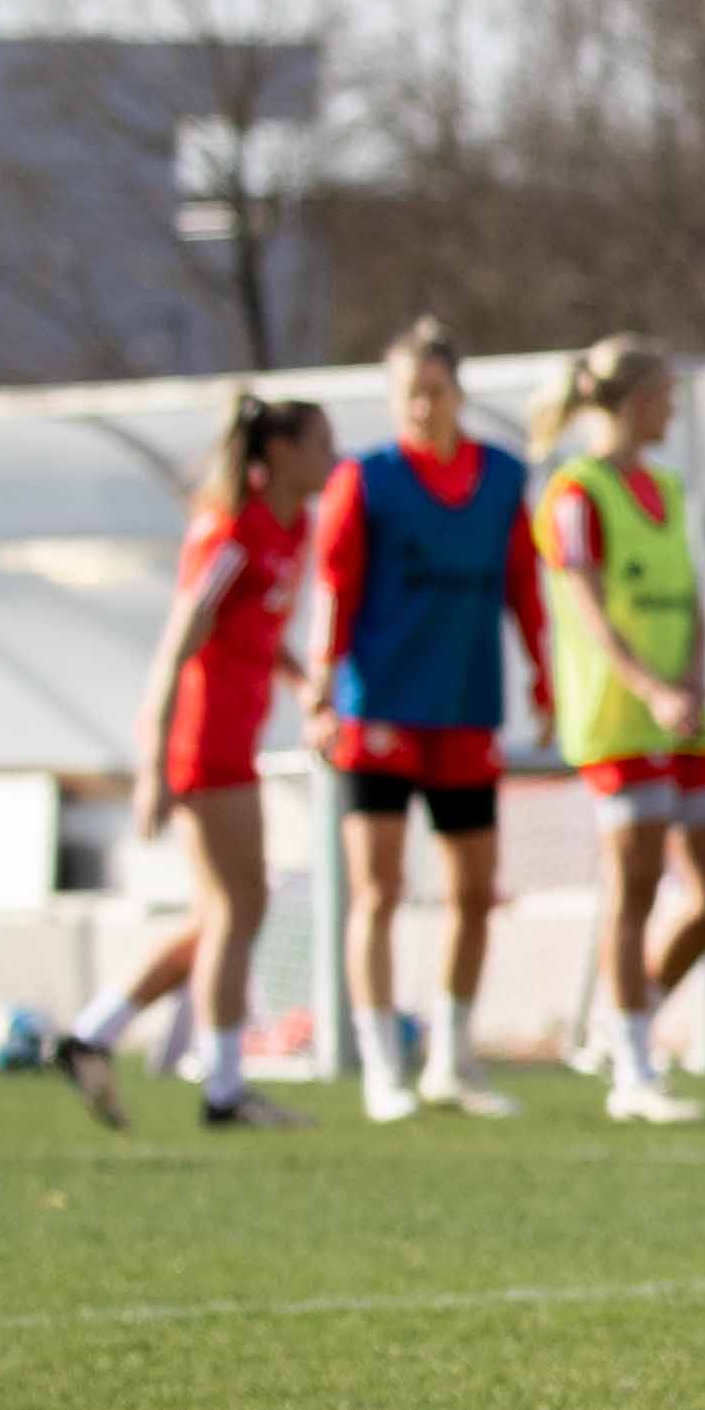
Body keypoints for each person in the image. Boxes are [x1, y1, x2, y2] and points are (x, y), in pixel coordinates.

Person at [48, 392, 336, 1132]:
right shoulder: (232, 531)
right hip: (203, 742)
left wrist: (304, 687)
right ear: (278, 455)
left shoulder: (291, 526)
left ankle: (93, 1036)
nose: (331, 459)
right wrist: (153, 765)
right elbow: (181, 639)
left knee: (220, 914)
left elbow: (258, 629)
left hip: (235, 736)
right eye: (319, 444)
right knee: (244, 908)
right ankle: (224, 1090)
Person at [311, 317, 546, 1122]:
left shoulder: (505, 479)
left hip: (466, 705)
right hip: (378, 707)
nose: (421, 405)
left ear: (459, 393)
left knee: (473, 891)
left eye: (435, 390)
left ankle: (451, 1055)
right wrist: (318, 685)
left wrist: (547, 678)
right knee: (377, 888)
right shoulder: (365, 479)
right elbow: (333, 587)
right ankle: (382, 1063)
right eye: (408, 391)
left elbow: (526, 586)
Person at [531, 337, 705, 1126]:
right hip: (621, 718)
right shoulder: (574, 494)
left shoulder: (667, 488)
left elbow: (687, 600)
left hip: (683, 717)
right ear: (627, 401)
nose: (673, 410)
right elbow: (587, 612)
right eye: (662, 396)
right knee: (637, 884)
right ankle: (632, 1070)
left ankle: (626, 1022)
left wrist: (691, 681)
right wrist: (650, 690)